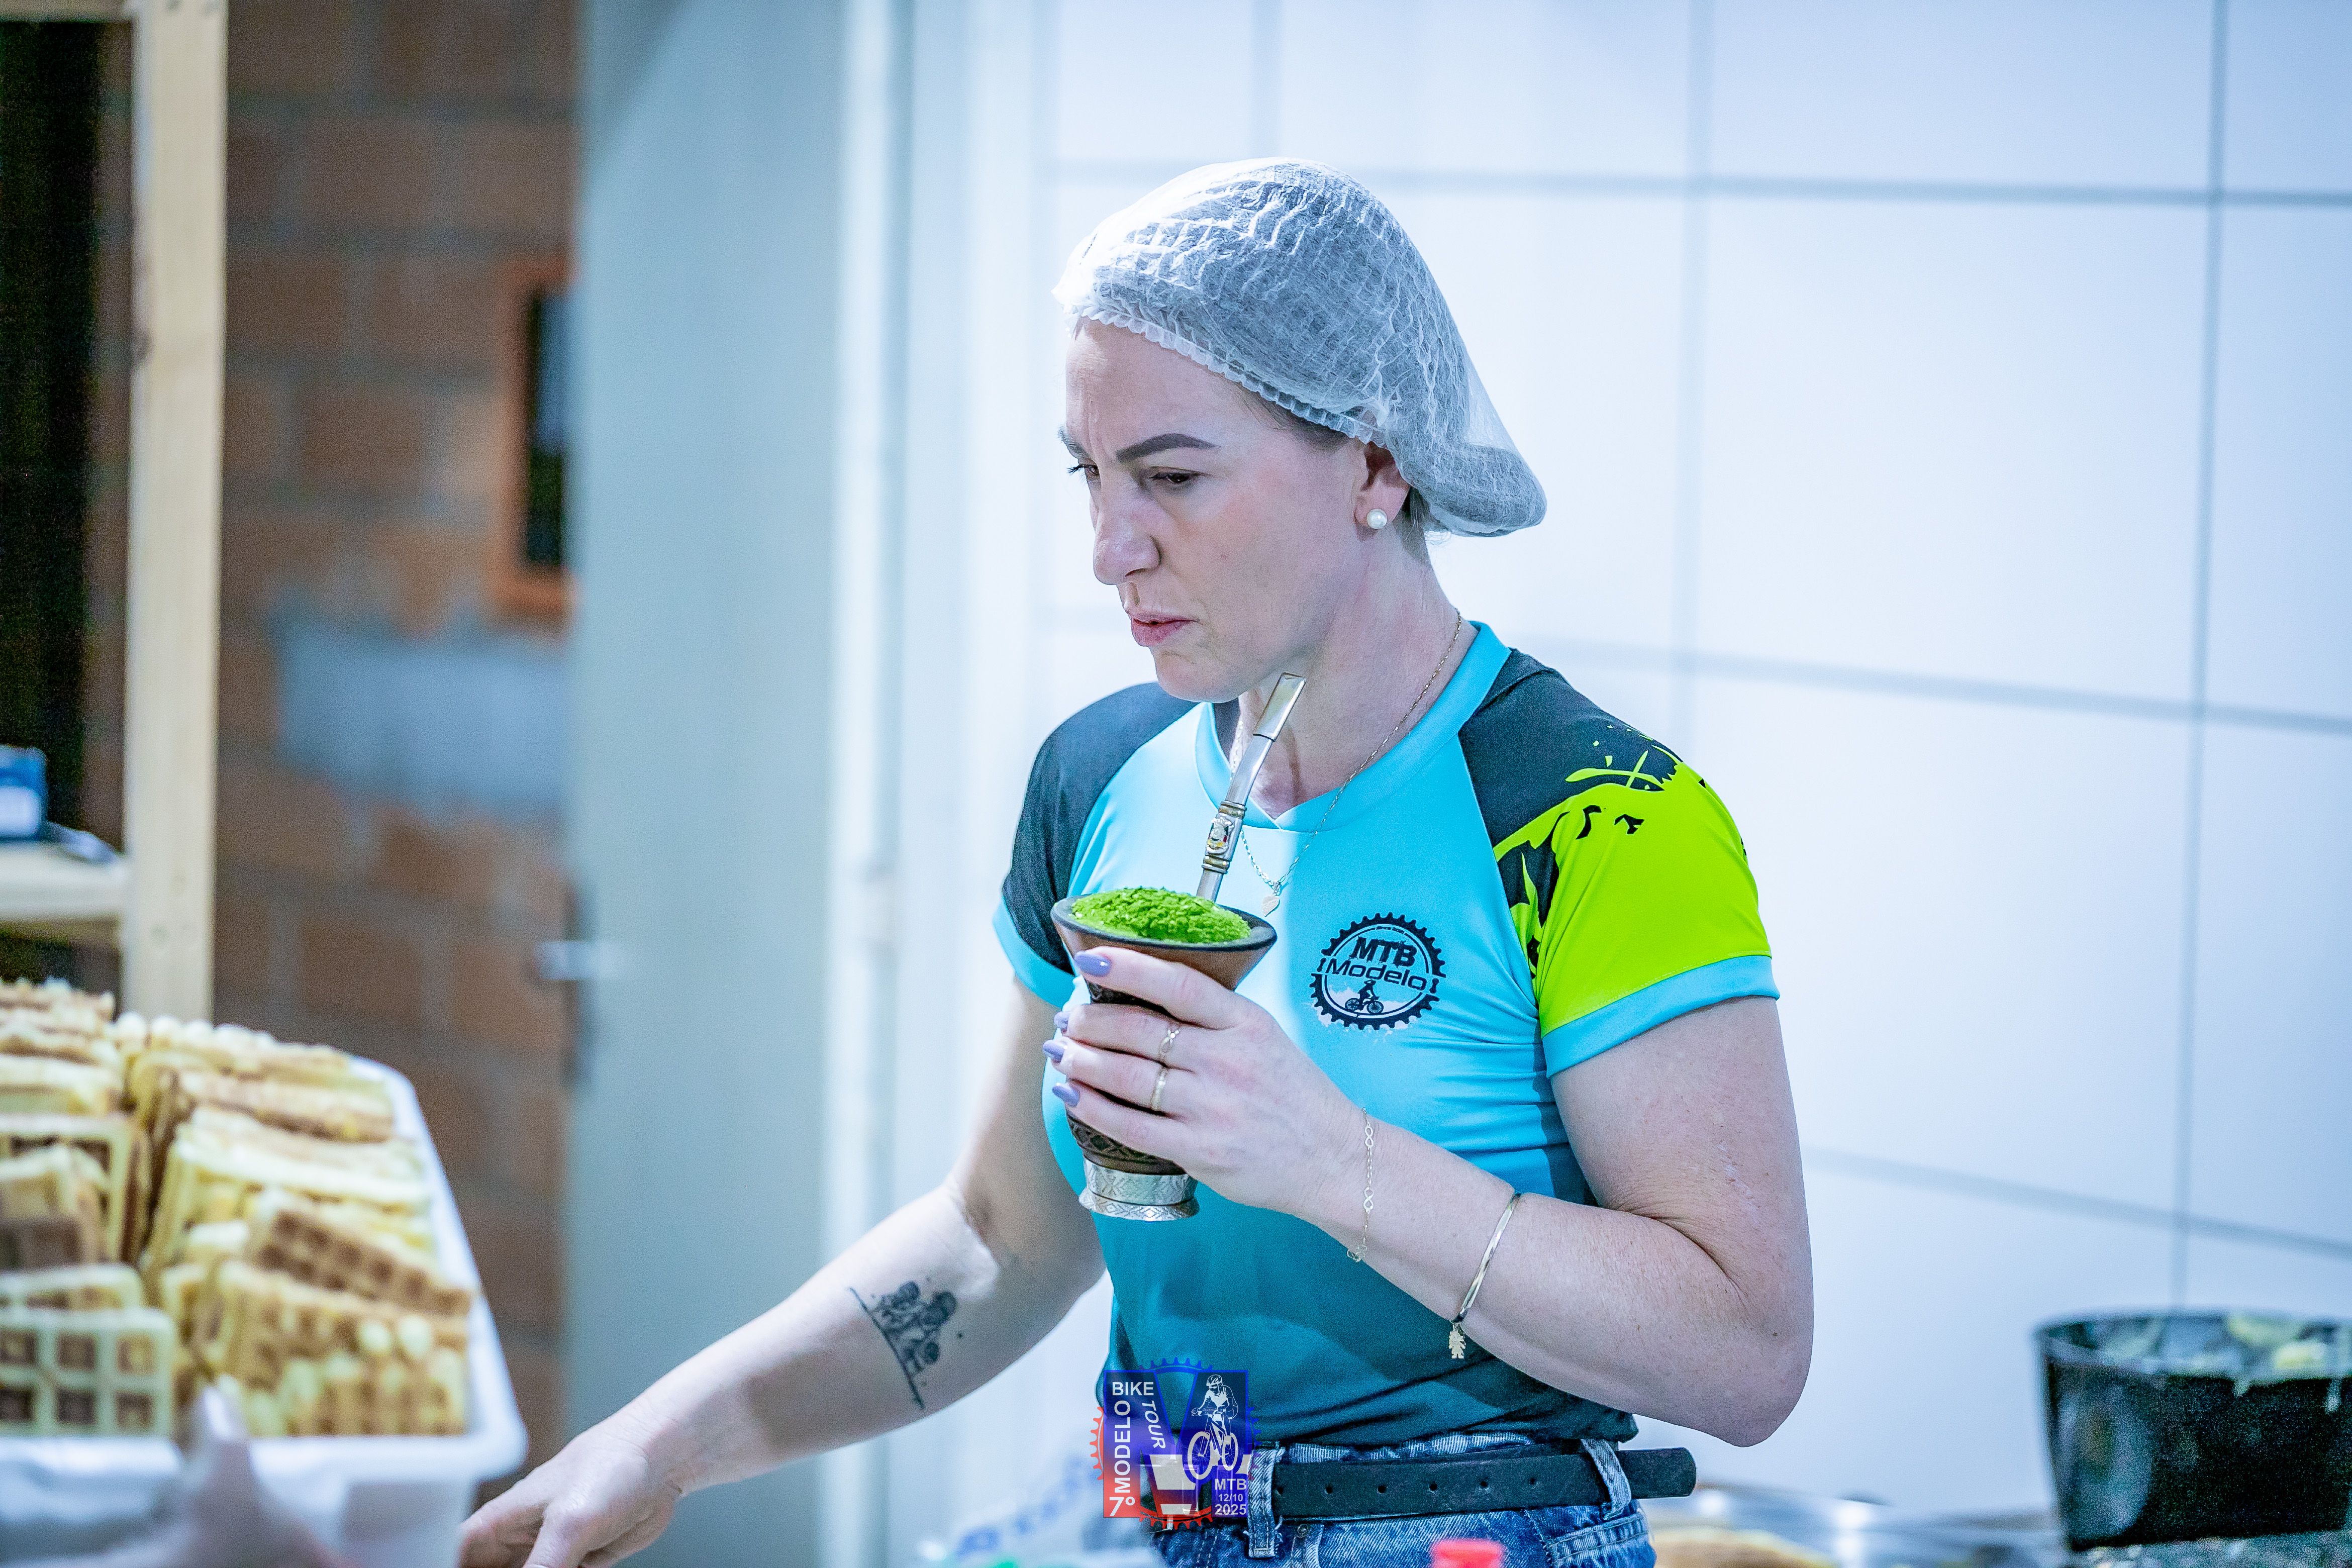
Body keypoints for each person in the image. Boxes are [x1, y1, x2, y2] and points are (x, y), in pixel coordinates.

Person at [461, 158, 1810, 1568]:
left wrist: (1325, 1158)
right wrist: (660, 1444)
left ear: (1375, 464)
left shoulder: (1594, 815)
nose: (1111, 550)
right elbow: (999, 1244)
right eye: (1090, 475)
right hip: (1166, 1513)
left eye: (1172, 477)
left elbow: (1748, 1353)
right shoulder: (1102, 776)